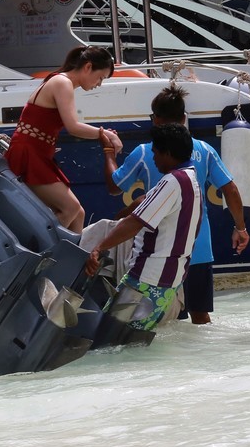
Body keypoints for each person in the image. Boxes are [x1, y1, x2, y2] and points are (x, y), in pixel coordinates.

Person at [103, 84, 250, 324]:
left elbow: (114, 186)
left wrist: (108, 152)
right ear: (184, 118)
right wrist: (241, 227)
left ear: (155, 120)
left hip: (159, 253)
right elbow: (230, 189)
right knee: (200, 317)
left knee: (163, 320)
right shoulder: (204, 149)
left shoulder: (145, 152)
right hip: (198, 247)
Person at [84, 123, 202, 332]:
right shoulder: (192, 179)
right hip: (169, 281)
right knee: (132, 341)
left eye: (156, 153)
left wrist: (99, 248)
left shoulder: (172, 181)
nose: (154, 158)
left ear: (167, 153)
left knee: (109, 336)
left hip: (146, 279)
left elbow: (135, 222)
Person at [5, 45, 123, 232]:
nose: (99, 84)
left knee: (79, 213)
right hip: (29, 155)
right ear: (87, 67)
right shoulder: (62, 83)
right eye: (100, 77)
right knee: (70, 208)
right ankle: (41, 255)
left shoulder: (60, 81)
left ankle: (76, 261)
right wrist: (106, 135)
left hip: (38, 154)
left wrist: (102, 134)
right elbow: (73, 127)